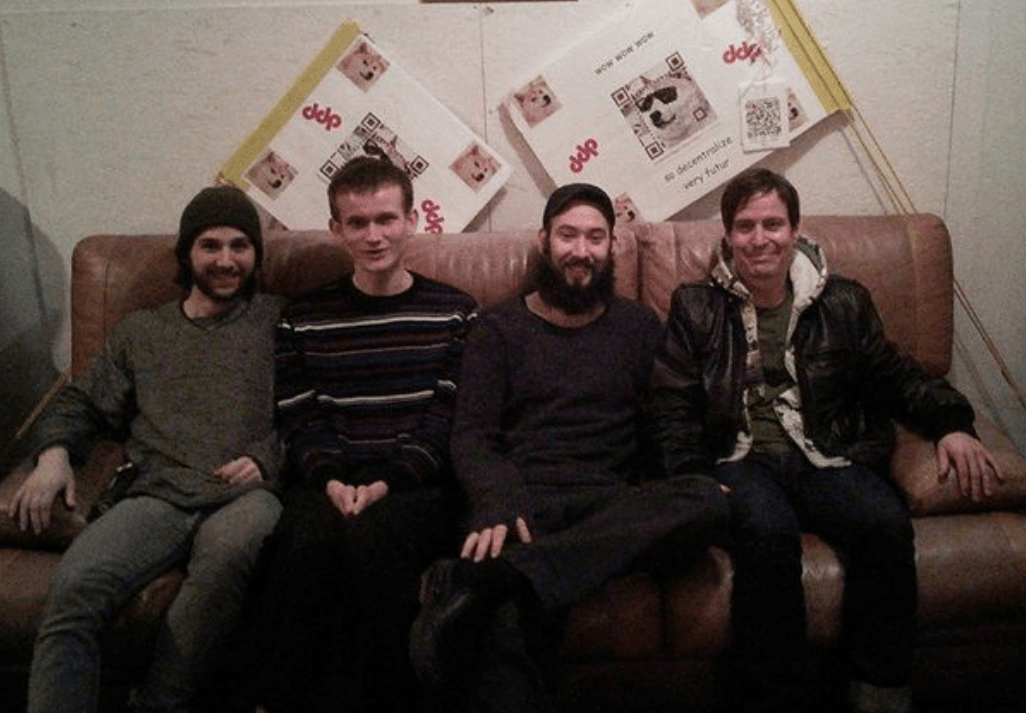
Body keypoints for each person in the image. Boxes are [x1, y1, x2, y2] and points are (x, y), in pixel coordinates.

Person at [650, 167, 1004, 713]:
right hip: (739, 457)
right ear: (728, 235)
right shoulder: (696, 306)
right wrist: (692, 477)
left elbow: (895, 376)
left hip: (825, 451)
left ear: (795, 230)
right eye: (745, 226)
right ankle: (776, 697)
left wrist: (952, 423)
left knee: (884, 522)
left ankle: (879, 689)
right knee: (768, 533)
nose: (760, 239)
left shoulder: (844, 301)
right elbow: (671, 402)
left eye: (773, 224)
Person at [410, 183, 729, 713]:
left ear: (612, 246)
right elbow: (471, 435)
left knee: (709, 502)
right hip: (525, 501)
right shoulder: (497, 329)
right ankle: (514, 581)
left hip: (608, 504)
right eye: (568, 236)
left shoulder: (638, 326)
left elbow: (664, 424)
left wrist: (689, 475)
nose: (581, 251)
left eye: (595, 238)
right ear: (544, 240)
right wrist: (498, 500)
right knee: (504, 629)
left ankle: (503, 577)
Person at [6, 185, 285, 712]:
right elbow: (81, 401)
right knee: (72, 590)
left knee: (231, 551)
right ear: (187, 253)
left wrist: (267, 457)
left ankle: (158, 703)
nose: (226, 260)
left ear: (256, 254)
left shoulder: (279, 321)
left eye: (240, 246)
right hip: (157, 494)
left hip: (244, 495)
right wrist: (54, 454)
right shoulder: (142, 331)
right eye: (210, 245)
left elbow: (316, 408)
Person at [228, 156, 477, 713]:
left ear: (412, 220)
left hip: (419, 484)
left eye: (386, 219)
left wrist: (390, 482)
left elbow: (449, 417)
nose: (373, 236)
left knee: (369, 544)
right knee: (302, 547)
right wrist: (332, 480)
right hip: (329, 479)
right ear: (336, 229)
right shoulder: (302, 316)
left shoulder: (456, 312)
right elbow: (299, 415)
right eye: (357, 223)